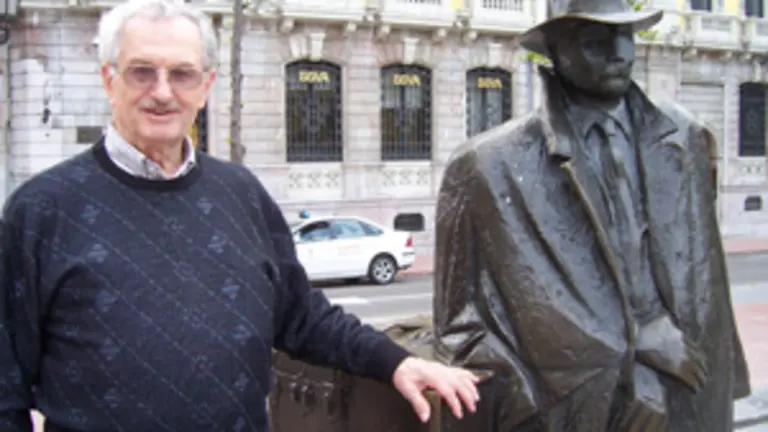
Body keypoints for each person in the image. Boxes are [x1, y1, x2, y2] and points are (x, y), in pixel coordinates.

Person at [0, 0, 479, 430]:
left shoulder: (240, 193)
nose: (163, 92)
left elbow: (301, 315)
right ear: (109, 79)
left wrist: (397, 362)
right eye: (142, 71)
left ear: (206, 85)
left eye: (182, 74)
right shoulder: (40, 210)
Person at [432, 0, 751, 430]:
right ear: (556, 49)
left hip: (692, 399)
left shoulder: (685, 137)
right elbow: (460, 330)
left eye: (627, 35)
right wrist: (626, 361)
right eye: (595, 41)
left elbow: (705, 282)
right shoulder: (487, 167)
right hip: (580, 413)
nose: (621, 52)